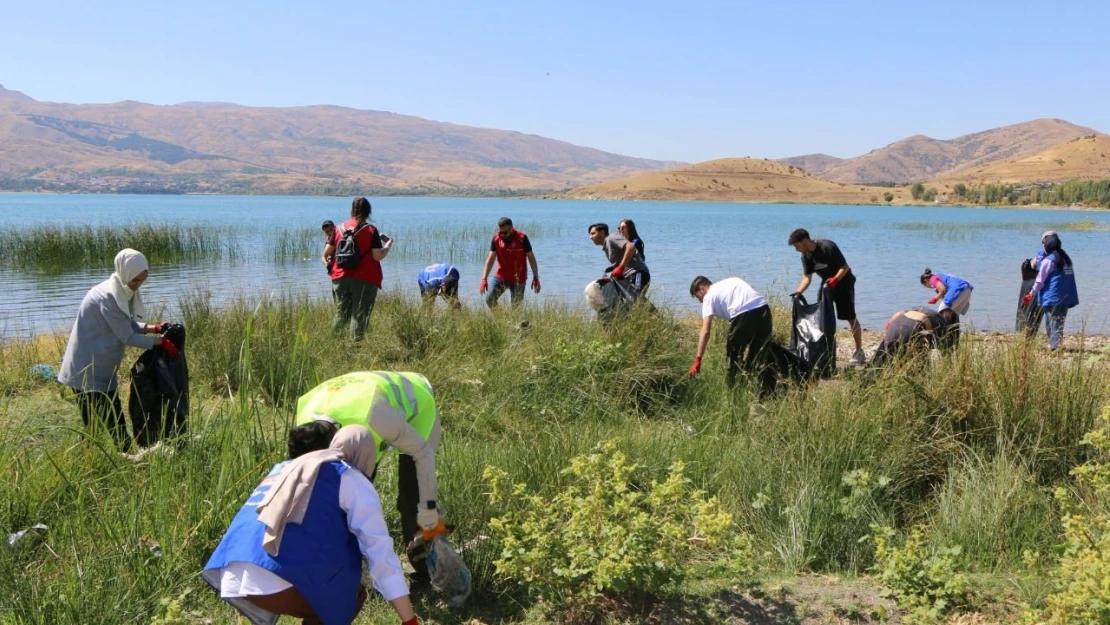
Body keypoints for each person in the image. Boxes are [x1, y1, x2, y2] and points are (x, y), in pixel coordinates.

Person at [203, 425, 419, 625]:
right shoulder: (350, 476)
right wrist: (409, 620)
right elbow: (381, 555)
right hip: (271, 576)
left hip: (231, 568)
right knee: (351, 594)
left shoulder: (284, 467)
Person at [294, 372, 447, 583]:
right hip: (362, 413)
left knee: (412, 497)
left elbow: (423, 452)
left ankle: (422, 570)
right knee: (344, 497)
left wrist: (428, 509)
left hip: (418, 407)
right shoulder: (304, 416)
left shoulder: (375, 417)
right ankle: (345, 568)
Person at [57, 249, 177, 451]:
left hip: (102, 368)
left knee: (96, 425)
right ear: (125, 272)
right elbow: (127, 336)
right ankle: (128, 460)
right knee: (112, 423)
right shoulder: (107, 297)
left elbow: (126, 324)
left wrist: (152, 328)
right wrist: (160, 342)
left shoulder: (122, 290)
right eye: (135, 280)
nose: (138, 285)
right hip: (86, 370)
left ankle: (91, 460)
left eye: (142, 280)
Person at [688, 276, 776, 396]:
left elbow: (705, 331)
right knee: (761, 356)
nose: (700, 301)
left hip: (742, 315)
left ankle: (733, 395)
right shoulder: (731, 281)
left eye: (698, 297)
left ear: (702, 288)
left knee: (733, 358)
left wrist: (698, 360)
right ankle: (767, 395)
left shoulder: (708, 296)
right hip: (764, 309)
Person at [787, 228, 865, 364]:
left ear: (805, 241)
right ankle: (822, 352)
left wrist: (835, 279)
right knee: (820, 317)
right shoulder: (806, 255)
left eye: (797, 246)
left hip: (844, 282)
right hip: (827, 285)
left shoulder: (828, 246)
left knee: (850, 317)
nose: (796, 249)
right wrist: (799, 291)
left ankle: (859, 351)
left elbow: (844, 267)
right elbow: (807, 277)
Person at [324, 198, 392, 341]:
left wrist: (329, 267)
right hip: (364, 278)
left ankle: (331, 343)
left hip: (339, 278)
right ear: (368, 212)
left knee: (341, 313)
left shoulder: (339, 228)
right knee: (359, 315)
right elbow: (377, 256)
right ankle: (355, 349)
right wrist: (387, 247)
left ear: (352, 210)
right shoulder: (371, 230)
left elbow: (326, 254)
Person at [1022, 231, 1079, 351]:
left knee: (1052, 323)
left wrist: (1031, 294)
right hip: (1065, 297)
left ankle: (1055, 348)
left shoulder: (1048, 261)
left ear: (1047, 245)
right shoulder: (1066, 259)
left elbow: (1039, 281)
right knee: (1057, 323)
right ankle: (1055, 346)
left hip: (1053, 297)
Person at [869, 307, 960, 370]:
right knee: (919, 368)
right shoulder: (942, 324)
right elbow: (946, 353)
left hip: (894, 325)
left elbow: (899, 313)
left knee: (883, 363)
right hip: (911, 330)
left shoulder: (924, 310)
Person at [479, 217, 540, 308]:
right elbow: (490, 259)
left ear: (511, 228)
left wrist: (535, 277)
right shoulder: (496, 239)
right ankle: (501, 320)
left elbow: (531, 258)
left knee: (516, 308)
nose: (502, 235)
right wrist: (484, 279)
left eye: (505, 232)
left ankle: (514, 322)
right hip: (501, 277)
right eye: (500, 232)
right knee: (489, 299)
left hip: (518, 279)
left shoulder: (522, 238)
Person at [588, 223, 651, 299]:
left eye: (593, 234)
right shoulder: (606, 246)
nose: (590, 237)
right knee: (631, 304)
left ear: (602, 232)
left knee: (637, 301)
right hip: (628, 276)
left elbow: (631, 247)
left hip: (638, 274)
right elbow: (619, 261)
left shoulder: (611, 238)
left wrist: (621, 267)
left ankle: (652, 311)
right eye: (590, 235)